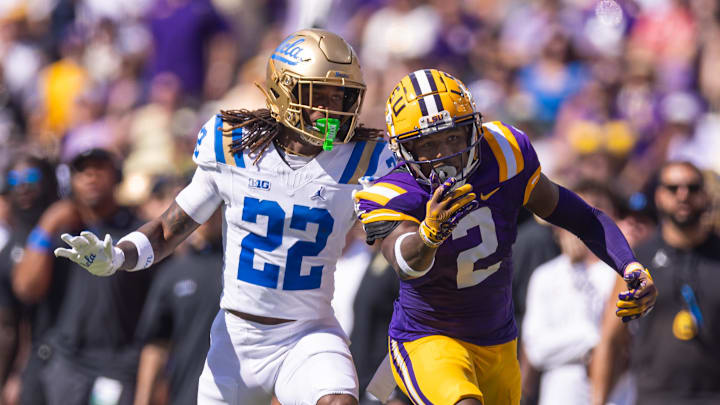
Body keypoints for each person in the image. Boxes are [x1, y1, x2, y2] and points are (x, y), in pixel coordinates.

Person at [54, 29, 396, 405]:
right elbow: (170, 228)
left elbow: (398, 236)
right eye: (319, 96)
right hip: (237, 338)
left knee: (339, 400)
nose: (330, 111)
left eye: (340, 97)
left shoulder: (366, 160)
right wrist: (120, 256)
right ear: (283, 92)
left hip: (308, 333)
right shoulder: (234, 146)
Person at [354, 69, 658, 405]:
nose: (445, 153)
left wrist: (630, 266)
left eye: (454, 136)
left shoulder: (504, 151)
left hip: (498, 341)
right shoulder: (392, 192)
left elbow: (583, 217)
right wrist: (428, 236)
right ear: (404, 149)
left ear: (474, 126)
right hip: (427, 338)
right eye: (427, 144)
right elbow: (404, 264)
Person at [13, 146, 153, 405]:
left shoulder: (135, 230)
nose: (90, 176)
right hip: (67, 363)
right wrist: (48, 224)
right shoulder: (61, 229)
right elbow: (25, 289)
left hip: (118, 366)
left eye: (99, 169)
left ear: (117, 175)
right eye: (82, 171)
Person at [590, 161, 720, 405]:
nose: (683, 195)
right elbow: (610, 340)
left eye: (692, 188)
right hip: (655, 396)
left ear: (704, 195)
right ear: (659, 196)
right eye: (673, 188)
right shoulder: (638, 260)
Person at [521, 180, 635, 405]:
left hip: (619, 392)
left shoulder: (622, 275)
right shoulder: (546, 275)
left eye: (597, 210)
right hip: (561, 391)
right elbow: (536, 347)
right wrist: (593, 341)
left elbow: (634, 337)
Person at [133, 208, 223, 405]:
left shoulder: (242, 270)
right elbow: (156, 344)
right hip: (185, 396)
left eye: (216, 208)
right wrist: (142, 400)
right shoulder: (172, 272)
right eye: (201, 208)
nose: (208, 215)